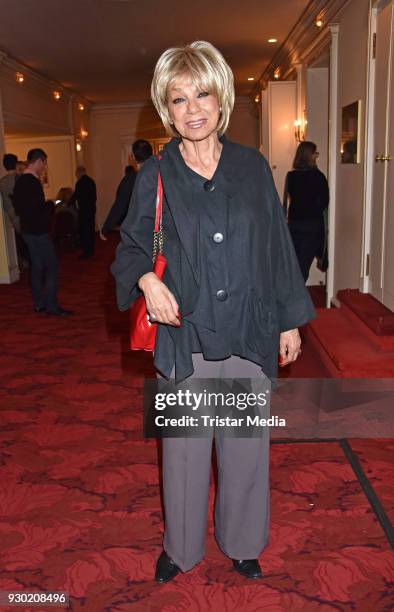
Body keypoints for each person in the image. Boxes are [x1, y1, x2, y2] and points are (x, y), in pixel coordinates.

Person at [111, 41, 315, 583]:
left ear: (221, 97)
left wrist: (289, 319)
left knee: (246, 446)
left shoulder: (251, 167)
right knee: (182, 453)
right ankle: (179, 548)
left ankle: (243, 542)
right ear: (166, 109)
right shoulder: (154, 174)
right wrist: (147, 279)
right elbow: (130, 246)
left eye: (202, 94)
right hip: (186, 334)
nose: (193, 108)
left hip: (249, 327)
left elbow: (276, 245)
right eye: (179, 99)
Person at [12, 148, 73, 316]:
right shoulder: (32, 182)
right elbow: (38, 210)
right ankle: (52, 306)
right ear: (38, 161)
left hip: (27, 231)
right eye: (44, 163)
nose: (44, 167)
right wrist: (51, 204)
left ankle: (39, 303)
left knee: (37, 267)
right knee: (52, 267)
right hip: (38, 231)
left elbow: (19, 208)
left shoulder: (19, 181)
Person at [283, 141, 329, 282]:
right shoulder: (318, 177)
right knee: (303, 266)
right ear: (310, 156)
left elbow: (289, 201)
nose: (316, 156)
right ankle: (298, 299)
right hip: (311, 226)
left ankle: (291, 296)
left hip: (294, 225)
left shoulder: (291, 176)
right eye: (315, 153)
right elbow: (324, 202)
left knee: (294, 265)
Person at [99, 140, 153, 241]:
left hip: (140, 231)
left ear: (133, 157)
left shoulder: (130, 180)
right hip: (163, 231)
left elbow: (119, 206)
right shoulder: (163, 175)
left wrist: (105, 227)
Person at [69, 166, 97, 259]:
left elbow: (75, 196)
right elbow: (94, 197)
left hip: (84, 210)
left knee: (84, 231)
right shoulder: (91, 181)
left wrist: (68, 203)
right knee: (91, 229)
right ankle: (92, 250)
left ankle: (86, 252)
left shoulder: (80, 183)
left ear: (79, 172)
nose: (76, 175)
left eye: (76, 173)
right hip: (91, 209)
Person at [0, 153, 20, 232]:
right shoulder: (20, 179)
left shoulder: (2, 182)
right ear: (16, 164)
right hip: (21, 217)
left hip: (8, 216)